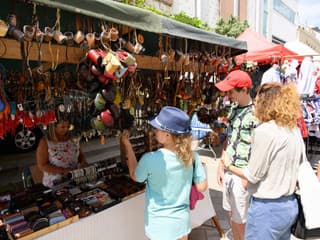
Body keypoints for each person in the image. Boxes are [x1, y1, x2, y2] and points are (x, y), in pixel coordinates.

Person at [222, 82, 302, 240]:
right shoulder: (293, 129)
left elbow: (252, 175)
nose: (255, 106)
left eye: (257, 102)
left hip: (267, 207)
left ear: (266, 104)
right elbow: (300, 166)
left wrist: (227, 165)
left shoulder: (265, 131)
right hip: (289, 204)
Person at [120, 106, 207, 240]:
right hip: (181, 223)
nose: (154, 130)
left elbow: (135, 175)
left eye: (157, 128)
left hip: (159, 226)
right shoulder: (192, 156)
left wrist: (127, 145)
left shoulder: (150, 159)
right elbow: (202, 187)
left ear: (168, 135)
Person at [215, 70, 257, 240]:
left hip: (242, 174)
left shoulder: (256, 114)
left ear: (244, 90)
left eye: (232, 91)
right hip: (229, 170)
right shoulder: (233, 109)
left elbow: (258, 147)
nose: (228, 94)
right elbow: (229, 138)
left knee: (241, 219)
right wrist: (220, 163)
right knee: (233, 213)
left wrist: (247, 177)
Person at [36, 120, 88, 187]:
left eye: (68, 127)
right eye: (63, 127)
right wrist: (64, 171)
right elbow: (42, 165)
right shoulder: (45, 142)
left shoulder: (73, 138)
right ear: (54, 127)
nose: (66, 129)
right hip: (55, 182)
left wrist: (84, 162)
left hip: (76, 178)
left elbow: (81, 155)